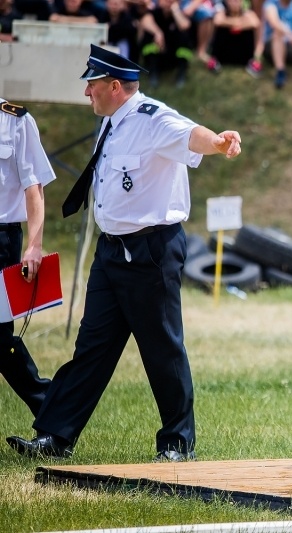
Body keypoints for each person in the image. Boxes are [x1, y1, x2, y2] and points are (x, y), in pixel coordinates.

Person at [6, 45, 242, 461]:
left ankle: (176, 441)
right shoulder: (112, 121)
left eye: (91, 85)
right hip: (111, 251)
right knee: (91, 348)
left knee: (162, 347)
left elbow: (192, 135)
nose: (86, 93)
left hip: (150, 250)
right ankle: (56, 437)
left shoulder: (153, 118)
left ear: (115, 86)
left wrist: (220, 142)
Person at [0, 98, 56, 416]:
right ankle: (50, 405)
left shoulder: (14, 120)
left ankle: (49, 404)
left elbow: (33, 187)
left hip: (2, 239)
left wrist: (34, 245)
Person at [139, 0, 195, 88]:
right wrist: (158, 32)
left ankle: (181, 74)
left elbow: (184, 25)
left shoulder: (180, 14)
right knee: (148, 36)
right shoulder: (154, 12)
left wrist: (175, 11)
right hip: (157, 54)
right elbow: (145, 21)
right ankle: (153, 74)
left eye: (172, 1)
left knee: (185, 36)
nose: (168, 3)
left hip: (174, 56)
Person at [211, 0, 261, 73]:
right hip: (223, 54)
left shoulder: (247, 13)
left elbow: (255, 23)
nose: (234, 3)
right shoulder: (222, 12)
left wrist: (233, 24)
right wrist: (239, 23)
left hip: (243, 54)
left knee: (249, 31)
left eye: (237, 1)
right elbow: (217, 21)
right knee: (221, 29)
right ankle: (214, 61)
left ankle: (251, 63)